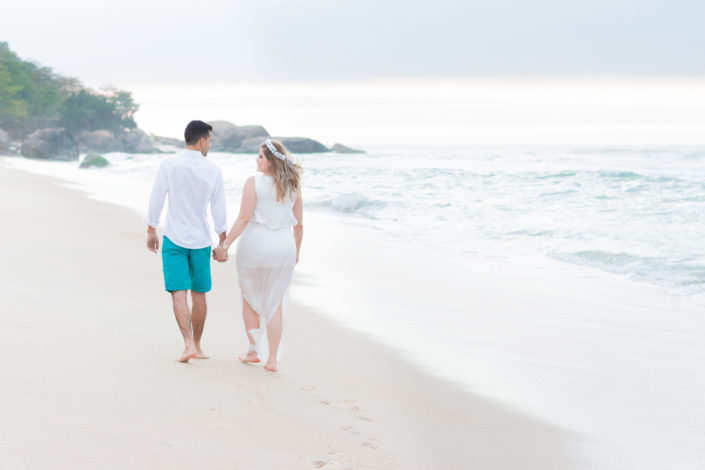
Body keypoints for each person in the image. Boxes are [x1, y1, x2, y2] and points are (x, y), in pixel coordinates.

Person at [213, 138, 303, 372]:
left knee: (250, 298)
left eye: (261, 156)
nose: (257, 159)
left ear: (271, 161)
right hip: (284, 247)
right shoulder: (293, 184)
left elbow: (244, 218)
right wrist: (296, 252)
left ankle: (253, 351)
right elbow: (299, 225)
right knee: (275, 304)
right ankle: (272, 360)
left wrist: (225, 245)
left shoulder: (253, 182)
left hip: (256, 246)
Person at [147, 120, 227, 363]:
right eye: (210, 140)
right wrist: (222, 240)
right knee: (199, 293)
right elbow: (218, 207)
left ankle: (188, 344)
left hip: (174, 238)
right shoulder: (212, 169)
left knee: (178, 293)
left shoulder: (170, 165)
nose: (209, 145)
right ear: (202, 140)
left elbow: (157, 197)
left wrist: (151, 228)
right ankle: (198, 346)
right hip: (201, 240)